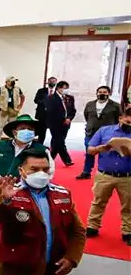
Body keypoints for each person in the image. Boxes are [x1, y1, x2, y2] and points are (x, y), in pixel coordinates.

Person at [84, 104, 131, 244]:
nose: (129, 124)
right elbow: (90, 150)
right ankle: (92, 226)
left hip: (127, 177)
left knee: (128, 205)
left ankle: (127, 231)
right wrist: (102, 148)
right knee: (98, 201)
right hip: (104, 174)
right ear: (120, 118)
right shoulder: (104, 131)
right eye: (127, 121)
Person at [0, 114, 54, 194]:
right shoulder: (1, 146)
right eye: (23, 128)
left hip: (26, 195)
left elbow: (49, 172)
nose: (27, 131)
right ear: (14, 132)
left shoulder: (42, 150)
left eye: (30, 129)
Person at [77, 85, 122, 180]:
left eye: (104, 92)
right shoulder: (90, 104)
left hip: (107, 134)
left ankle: (105, 172)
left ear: (109, 94)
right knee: (89, 152)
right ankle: (86, 171)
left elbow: (119, 118)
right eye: (100, 92)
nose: (102, 94)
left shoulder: (115, 105)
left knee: (107, 152)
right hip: (91, 132)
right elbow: (86, 116)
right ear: (97, 93)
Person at [44, 80, 76, 167]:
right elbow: (51, 112)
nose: (65, 90)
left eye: (67, 88)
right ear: (58, 88)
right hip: (55, 124)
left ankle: (49, 159)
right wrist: (62, 119)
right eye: (64, 88)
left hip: (66, 124)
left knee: (56, 142)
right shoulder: (50, 98)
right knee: (60, 141)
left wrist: (69, 118)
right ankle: (67, 160)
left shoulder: (70, 98)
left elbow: (73, 110)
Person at [0, 76, 25, 144]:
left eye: (14, 81)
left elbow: (22, 97)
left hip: (13, 111)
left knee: (13, 128)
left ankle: (13, 143)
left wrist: (20, 106)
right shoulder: (0, 89)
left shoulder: (17, 89)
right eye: (11, 81)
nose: (13, 82)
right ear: (6, 82)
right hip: (3, 111)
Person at [33, 76, 57, 144]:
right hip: (42, 115)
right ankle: (40, 146)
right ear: (48, 82)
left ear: (56, 82)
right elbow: (36, 100)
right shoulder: (41, 91)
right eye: (50, 81)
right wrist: (45, 101)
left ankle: (53, 148)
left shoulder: (58, 92)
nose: (52, 82)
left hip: (54, 116)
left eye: (53, 81)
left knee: (55, 134)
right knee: (42, 133)